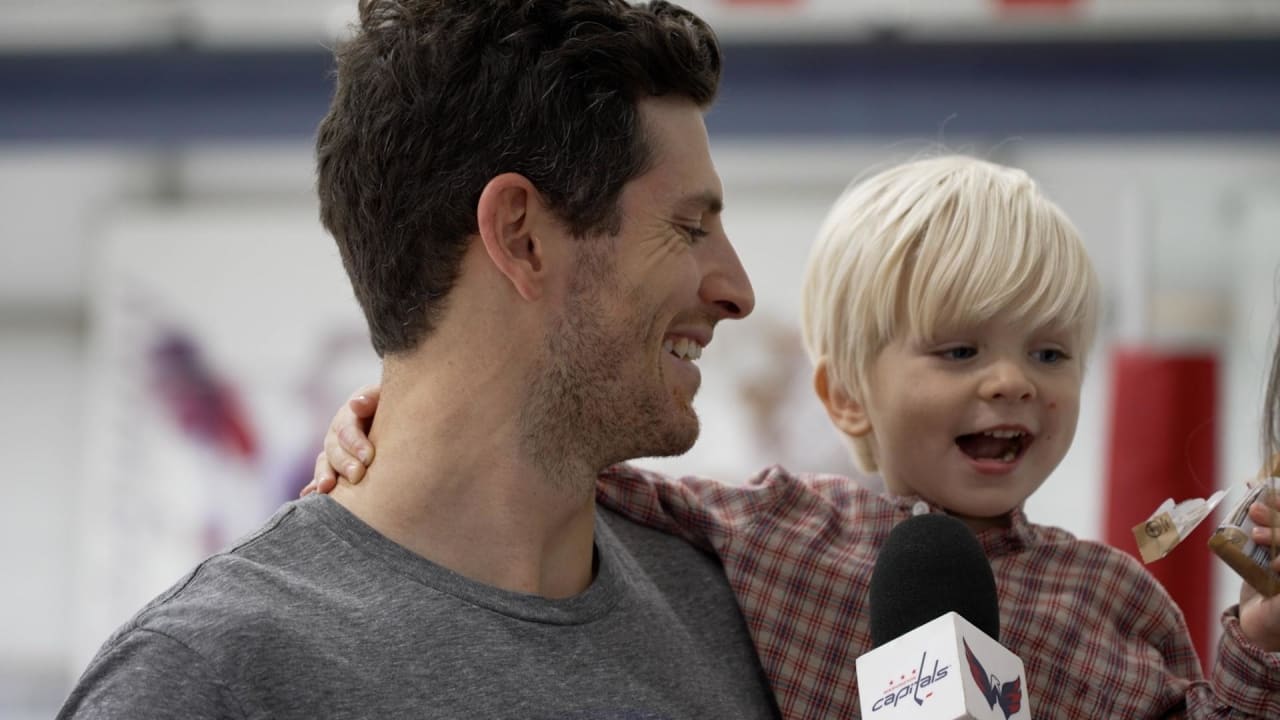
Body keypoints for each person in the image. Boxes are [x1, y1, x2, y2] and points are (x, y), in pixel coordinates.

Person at [314, 156, 1280, 718]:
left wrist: (1265, 635)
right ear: (846, 396)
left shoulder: (1115, 599)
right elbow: (560, 464)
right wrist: (391, 423)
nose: (1011, 381)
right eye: (957, 349)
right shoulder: (776, 531)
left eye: (1053, 355)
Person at [58, 1, 781, 718]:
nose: (736, 290)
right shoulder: (208, 681)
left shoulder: (752, 615)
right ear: (522, 236)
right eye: (688, 228)